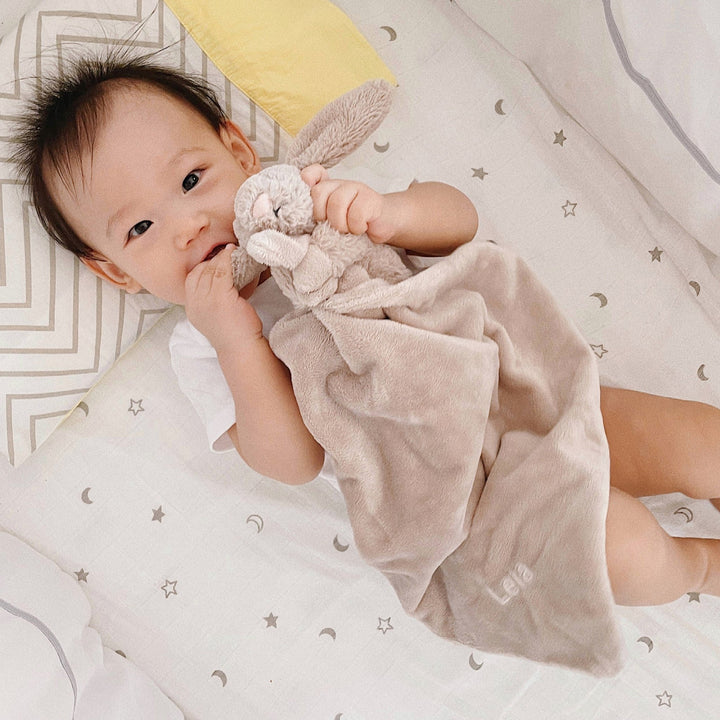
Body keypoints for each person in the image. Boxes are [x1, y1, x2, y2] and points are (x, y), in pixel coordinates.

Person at [12, 54, 720, 609]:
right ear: (119, 274)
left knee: (703, 442)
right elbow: (293, 461)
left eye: (193, 180)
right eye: (141, 228)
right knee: (624, 548)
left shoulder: (327, 203)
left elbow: (459, 222)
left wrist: (390, 213)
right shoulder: (204, 345)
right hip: (457, 499)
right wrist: (237, 341)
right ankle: (701, 566)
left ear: (242, 153)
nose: (186, 224)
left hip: (525, 389)